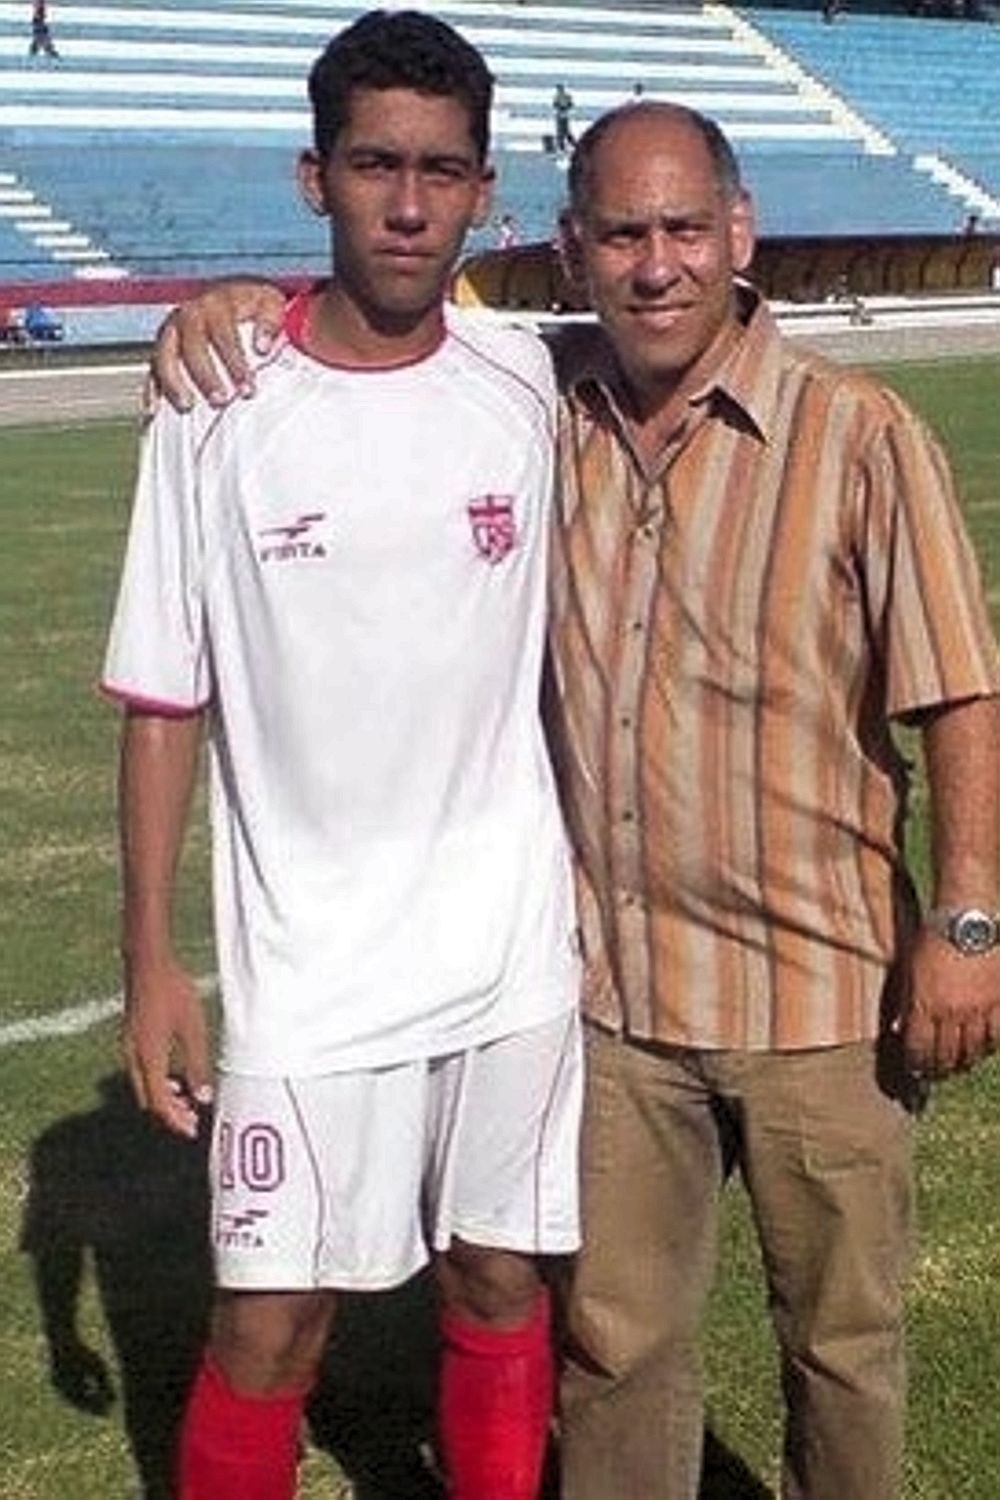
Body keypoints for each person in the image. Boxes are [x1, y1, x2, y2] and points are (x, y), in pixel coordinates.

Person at [149, 100, 1000, 1499]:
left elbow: (960, 688)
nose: (654, 264)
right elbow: (379, 318)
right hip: (617, 1009)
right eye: (620, 233)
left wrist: (965, 921)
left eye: (681, 229)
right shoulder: (542, 398)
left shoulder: (858, 434)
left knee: (843, 1351)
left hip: (824, 1003)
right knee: (616, 1354)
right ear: (572, 250)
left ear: (740, 236)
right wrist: (248, 298)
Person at [102, 13, 583, 1500]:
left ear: (486, 191)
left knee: (500, 1283)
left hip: (513, 949)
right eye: (376, 163)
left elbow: (690, 301)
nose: (408, 201)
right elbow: (163, 701)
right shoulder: (213, 403)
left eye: (442, 170)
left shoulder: (533, 381)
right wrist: (150, 960)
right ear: (315, 177)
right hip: (309, 971)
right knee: (270, 1322)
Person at [552, 83, 576, 154]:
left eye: (559, 89)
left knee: (564, 131)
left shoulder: (565, 97)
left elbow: (570, 105)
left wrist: (563, 108)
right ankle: (563, 146)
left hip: (563, 116)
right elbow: (555, 105)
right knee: (562, 132)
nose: (559, 90)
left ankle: (565, 146)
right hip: (561, 115)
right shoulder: (558, 97)